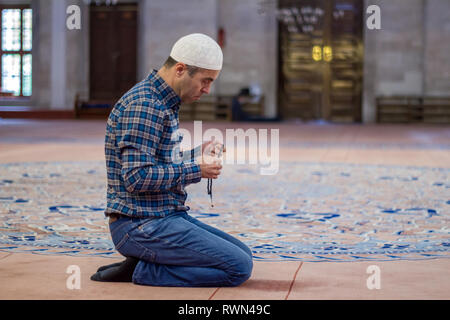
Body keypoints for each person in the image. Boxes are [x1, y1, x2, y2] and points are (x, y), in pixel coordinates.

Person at [90, 33, 253, 287]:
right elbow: (137, 177)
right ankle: (144, 270)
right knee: (237, 268)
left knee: (243, 254)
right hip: (139, 226)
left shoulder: (163, 102)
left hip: (161, 216)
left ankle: (144, 260)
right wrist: (196, 168)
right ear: (180, 70)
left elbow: (160, 160)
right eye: (205, 81)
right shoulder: (145, 105)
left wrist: (197, 153)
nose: (207, 90)